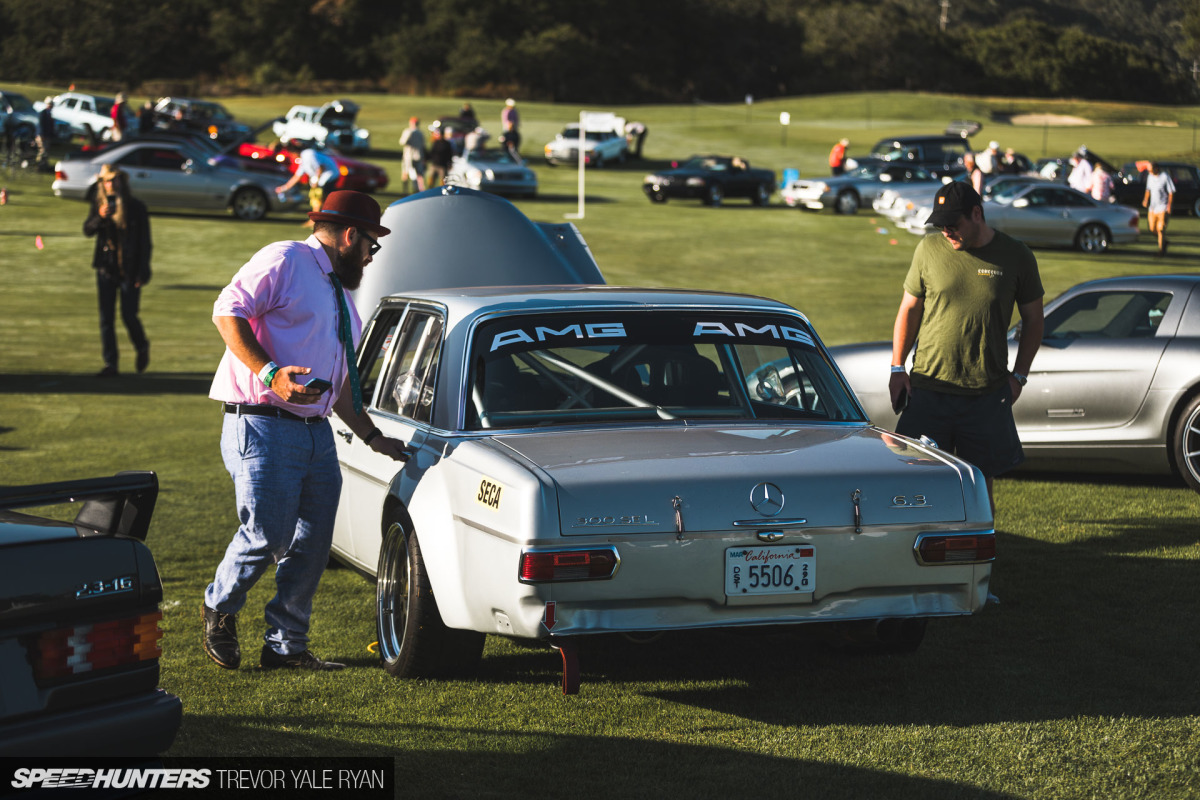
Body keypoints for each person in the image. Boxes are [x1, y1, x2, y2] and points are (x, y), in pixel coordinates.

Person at [202, 190, 408, 672]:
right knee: (268, 532)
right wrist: (270, 372)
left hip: (315, 432)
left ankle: (285, 647)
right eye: (371, 244)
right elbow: (226, 310)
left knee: (313, 544)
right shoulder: (287, 258)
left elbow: (338, 388)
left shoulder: (339, 292)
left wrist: (373, 436)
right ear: (350, 234)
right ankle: (220, 606)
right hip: (263, 422)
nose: (371, 255)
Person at [889, 182, 1044, 514]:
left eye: (953, 224)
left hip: (985, 393)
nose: (946, 231)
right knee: (915, 479)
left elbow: (1034, 320)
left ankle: (981, 558)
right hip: (929, 387)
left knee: (977, 484)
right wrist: (897, 367)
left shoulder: (1016, 255)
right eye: (941, 224)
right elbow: (909, 309)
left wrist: (1019, 377)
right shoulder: (928, 250)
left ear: (977, 214)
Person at [84, 164, 152, 378]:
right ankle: (110, 363)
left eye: (114, 180)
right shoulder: (99, 204)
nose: (111, 184)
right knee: (106, 318)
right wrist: (101, 217)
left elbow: (145, 242)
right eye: (106, 181)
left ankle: (141, 346)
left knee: (129, 315)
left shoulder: (136, 207)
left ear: (122, 181)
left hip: (131, 270)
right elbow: (87, 230)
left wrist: (143, 271)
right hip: (106, 268)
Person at [277, 145, 340, 220]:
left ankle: (322, 219)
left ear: (294, 152)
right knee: (316, 198)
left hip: (330, 176)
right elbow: (297, 176)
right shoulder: (303, 159)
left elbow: (320, 167)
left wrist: (316, 180)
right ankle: (316, 219)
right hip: (322, 179)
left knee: (323, 199)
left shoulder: (308, 154)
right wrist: (284, 188)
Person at [1143, 162, 1176, 256]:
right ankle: (1164, 242)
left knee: (1160, 229)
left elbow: (1171, 192)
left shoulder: (1165, 177)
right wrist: (1145, 199)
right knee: (1152, 229)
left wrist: (1169, 205)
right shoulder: (1150, 177)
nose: (1149, 172)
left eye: (1150, 169)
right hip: (1152, 208)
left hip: (1163, 208)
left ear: (1156, 168)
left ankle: (1161, 251)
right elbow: (1148, 189)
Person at [398, 116, 426, 194]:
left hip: (408, 156)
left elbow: (402, 142)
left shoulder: (408, 131)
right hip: (418, 155)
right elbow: (423, 145)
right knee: (419, 174)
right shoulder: (420, 133)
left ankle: (405, 191)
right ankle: (421, 190)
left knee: (406, 172)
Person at [36, 97, 55, 167]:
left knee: (46, 151)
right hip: (42, 136)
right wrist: (41, 135)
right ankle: (39, 164)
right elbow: (41, 125)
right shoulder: (42, 113)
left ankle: (44, 164)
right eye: (50, 104)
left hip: (47, 136)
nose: (51, 106)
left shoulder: (50, 114)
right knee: (42, 150)